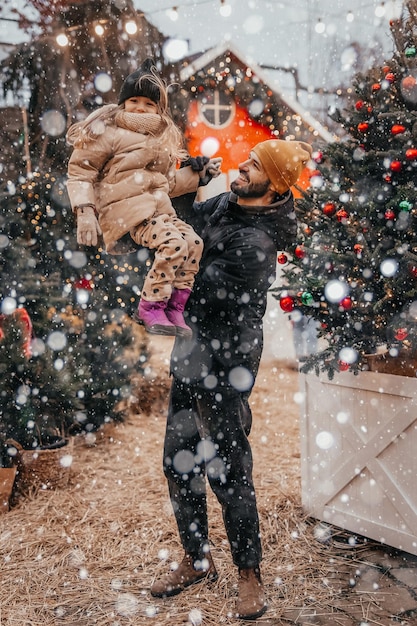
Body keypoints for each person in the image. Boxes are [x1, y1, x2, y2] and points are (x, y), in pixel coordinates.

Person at [151, 138, 312, 619]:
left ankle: (249, 573)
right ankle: (197, 559)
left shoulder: (258, 244)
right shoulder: (224, 202)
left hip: (225, 367)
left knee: (228, 469)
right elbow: (182, 233)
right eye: (247, 160)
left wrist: (166, 279)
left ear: (274, 184)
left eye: (254, 165)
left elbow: (197, 287)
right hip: (190, 356)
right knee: (179, 463)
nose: (242, 166)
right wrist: (186, 188)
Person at [66, 58, 221, 337]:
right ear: (123, 103)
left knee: (194, 243)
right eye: (134, 100)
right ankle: (150, 305)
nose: (141, 107)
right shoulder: (109, 133)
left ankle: (174, 306)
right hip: (127, 211)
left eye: (149, 104)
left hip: (159, 211)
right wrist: (85, 211)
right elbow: (80, 172)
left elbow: (167, 184)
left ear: (159, 109)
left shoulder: (161, 140)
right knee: (174, 243)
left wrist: (199, 176)